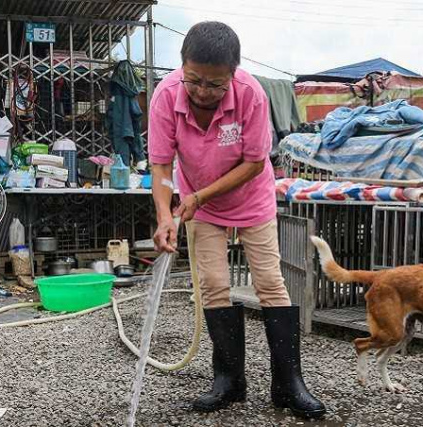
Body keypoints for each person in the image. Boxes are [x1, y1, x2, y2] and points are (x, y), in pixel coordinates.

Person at [147, 21, 326, 420]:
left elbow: (253, 163)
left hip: (249, 198)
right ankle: (228, 381)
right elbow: (161, 165)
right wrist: (164, 215)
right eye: (194, 80)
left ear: (233, 73)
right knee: (213, 285)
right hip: (200, 205)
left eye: (215, 84)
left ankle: (288, 383)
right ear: (182, 67)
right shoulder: (165, 96)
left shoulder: (251, 94)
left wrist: (197, 196)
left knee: (269, 282)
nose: (203, 91)